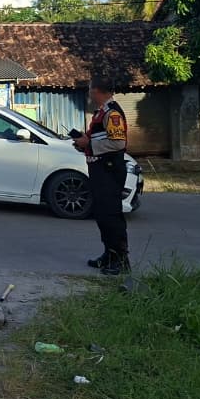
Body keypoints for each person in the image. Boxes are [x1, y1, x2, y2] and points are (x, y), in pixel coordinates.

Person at [74, 77, 131, 276]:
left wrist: (88, 144)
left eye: (90, 90)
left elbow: (118, 143)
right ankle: (109, 255)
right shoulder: (101, 112)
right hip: (99, 169)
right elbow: (101, 138)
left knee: (111, 215)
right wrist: (83, 143)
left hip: (110, 170)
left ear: (98, 91)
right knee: (102, 215)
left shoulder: (112, 113)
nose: (89, 94)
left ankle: (121, 260)